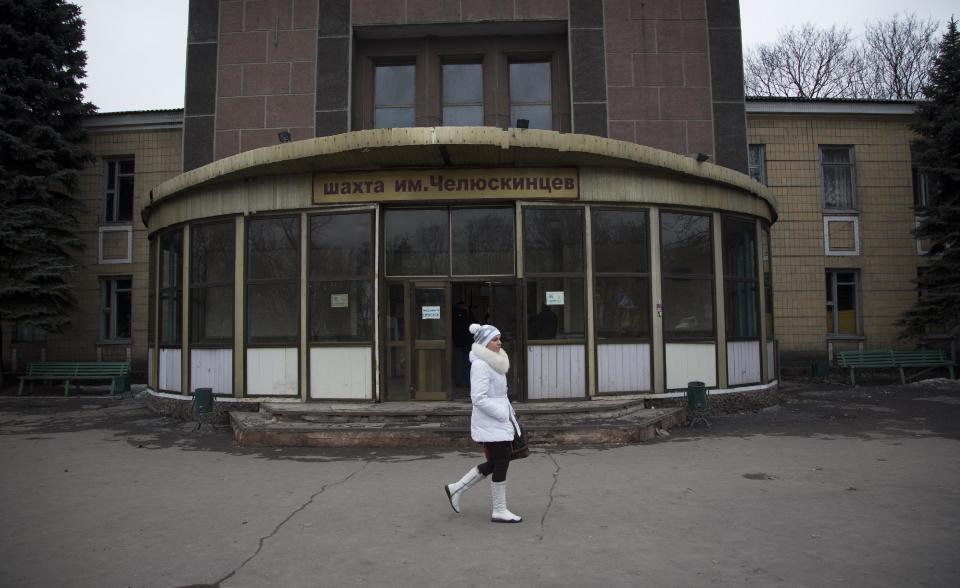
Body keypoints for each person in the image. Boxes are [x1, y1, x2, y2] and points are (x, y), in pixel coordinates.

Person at [443, 323, 523, 523]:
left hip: (499, 422)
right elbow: (478, 398)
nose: (499, 342)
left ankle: (456, 488)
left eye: (499, 338)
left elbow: (499, 395)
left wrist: (509, 415)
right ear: (484, 343)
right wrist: (502, 414)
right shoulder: (480, 365)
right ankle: (499, 509)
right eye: (495, 339)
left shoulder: (494, 362)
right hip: (491, 422)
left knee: (496, 462)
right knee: (501, 462)